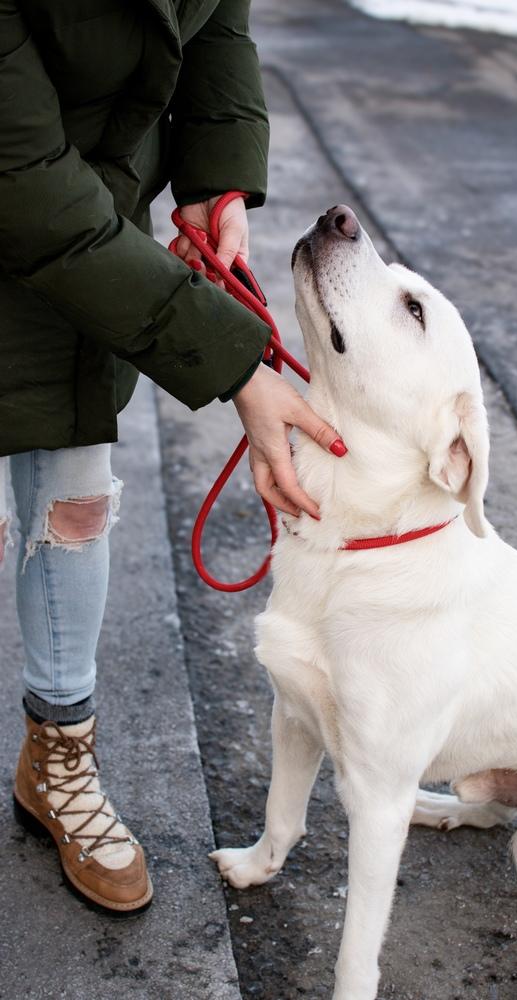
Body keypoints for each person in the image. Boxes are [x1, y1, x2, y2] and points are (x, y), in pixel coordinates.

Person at [0, 0, 346, 914]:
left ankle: (57, 759)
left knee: (73, 509)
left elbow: (214, 25)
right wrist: (237, 365)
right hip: (40, 204)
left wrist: (213, 177)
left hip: (87, 243)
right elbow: (27, 184)